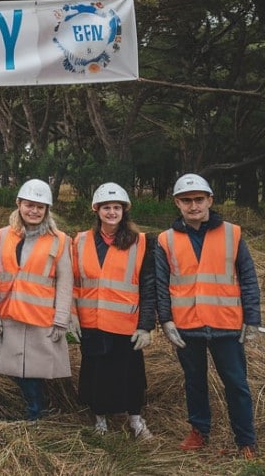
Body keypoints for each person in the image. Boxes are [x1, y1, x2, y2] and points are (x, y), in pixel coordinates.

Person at [156, 173, 261, 459]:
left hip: (226, 324)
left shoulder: (232, 233)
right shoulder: (166, 240)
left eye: (199, 200)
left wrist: (252, 319)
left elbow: (249, 278)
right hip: (186, 325)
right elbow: (161, 285)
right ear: (177, 203)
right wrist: (165, 320)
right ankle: (199, 431)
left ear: (210, 200)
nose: (193, 206)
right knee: (194, 381)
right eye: (186, 200)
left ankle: (246, 440)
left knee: (237, 384)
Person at [71, 183, 155, 438]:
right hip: (92, 322)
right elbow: (73, 282)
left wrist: (146, 324)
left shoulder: (140, 242)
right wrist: (72, 316)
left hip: (125, 323)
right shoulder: (81, 240)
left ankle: (136, 420)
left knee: (130, 375)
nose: (111, 212)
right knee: (96, 373)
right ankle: (100, 419)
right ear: (97, 210)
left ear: (124, 210)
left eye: (116, 207)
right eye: (106, 207)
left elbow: (148, 286)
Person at [0, 179, 72, 421]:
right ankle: (36, 407)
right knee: (14, 368)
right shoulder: (1, 236)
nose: (34, 211)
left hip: (40, 316)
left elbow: (65, 282)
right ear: (19, 204)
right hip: (9, 312)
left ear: (47, 209)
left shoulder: (59, 240)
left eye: (40, 206)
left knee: (36, 369)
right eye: (29, 205)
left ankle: (37, 410)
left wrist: (61, 319)